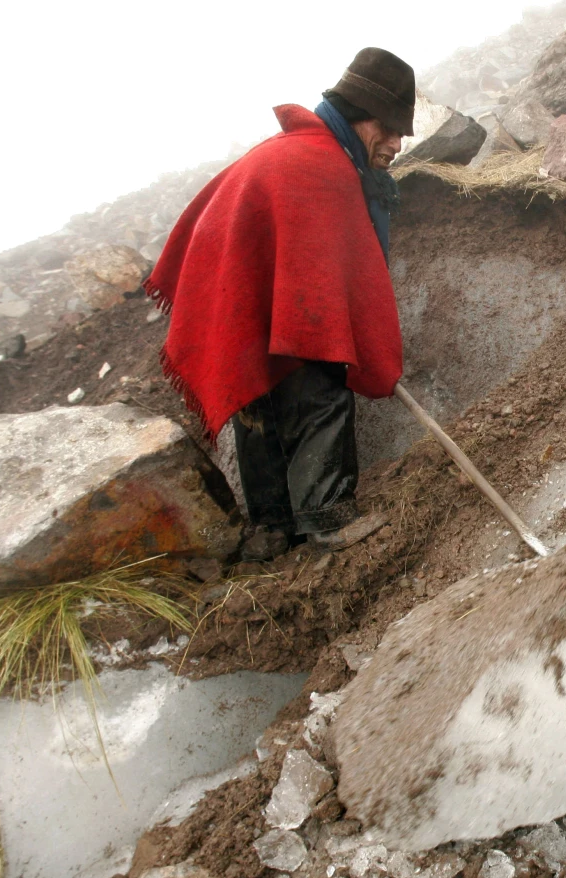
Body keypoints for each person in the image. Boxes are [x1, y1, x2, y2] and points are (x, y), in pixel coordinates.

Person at [146, 48, 415, 561]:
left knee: (263, 391)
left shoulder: (295, 149)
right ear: (362, 119)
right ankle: (327, 517)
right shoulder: (323, 167)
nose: (398, 145)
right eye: (391, 129)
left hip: (239, 309)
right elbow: (324, 307)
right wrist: (364, 351)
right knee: (318, 381)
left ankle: (271, 527)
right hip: (261, 305)